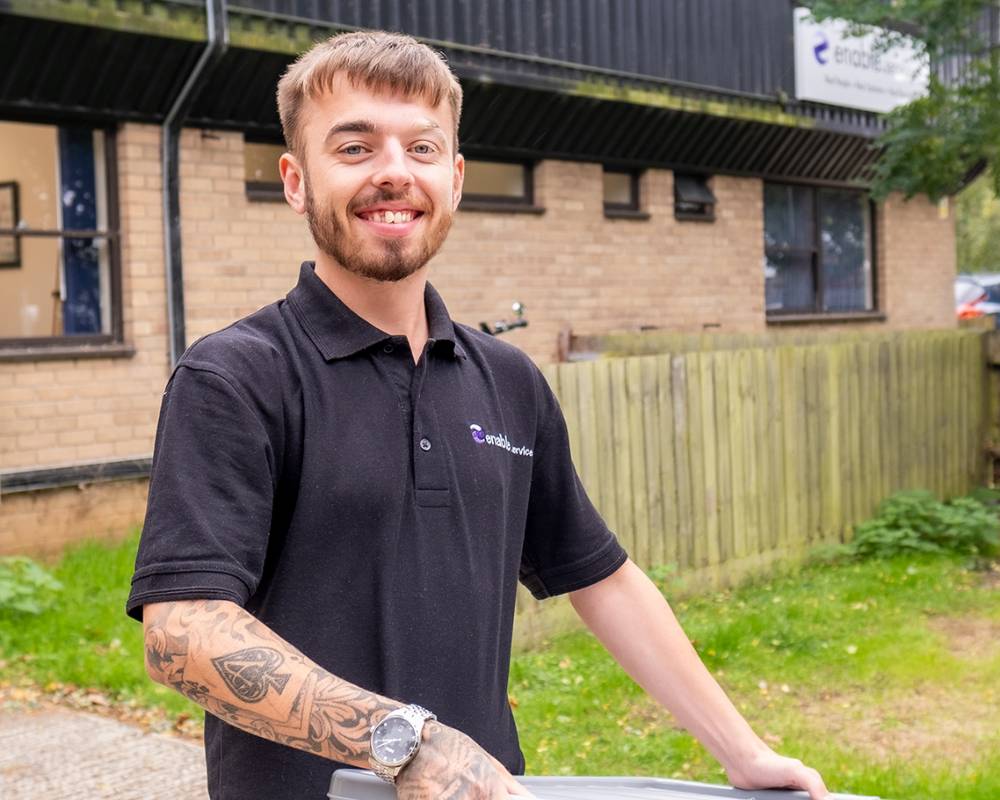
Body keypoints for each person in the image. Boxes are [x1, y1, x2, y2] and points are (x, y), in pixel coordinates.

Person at [127, 30, 831, 800]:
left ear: (454, 178)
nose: (394, 173)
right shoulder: (235, 376)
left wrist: (743, 751)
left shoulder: (509, 381)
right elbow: (182, 632)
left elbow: (604, 580)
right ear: (296, 181)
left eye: (422, 149)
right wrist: (405, 745)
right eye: (355, 148)